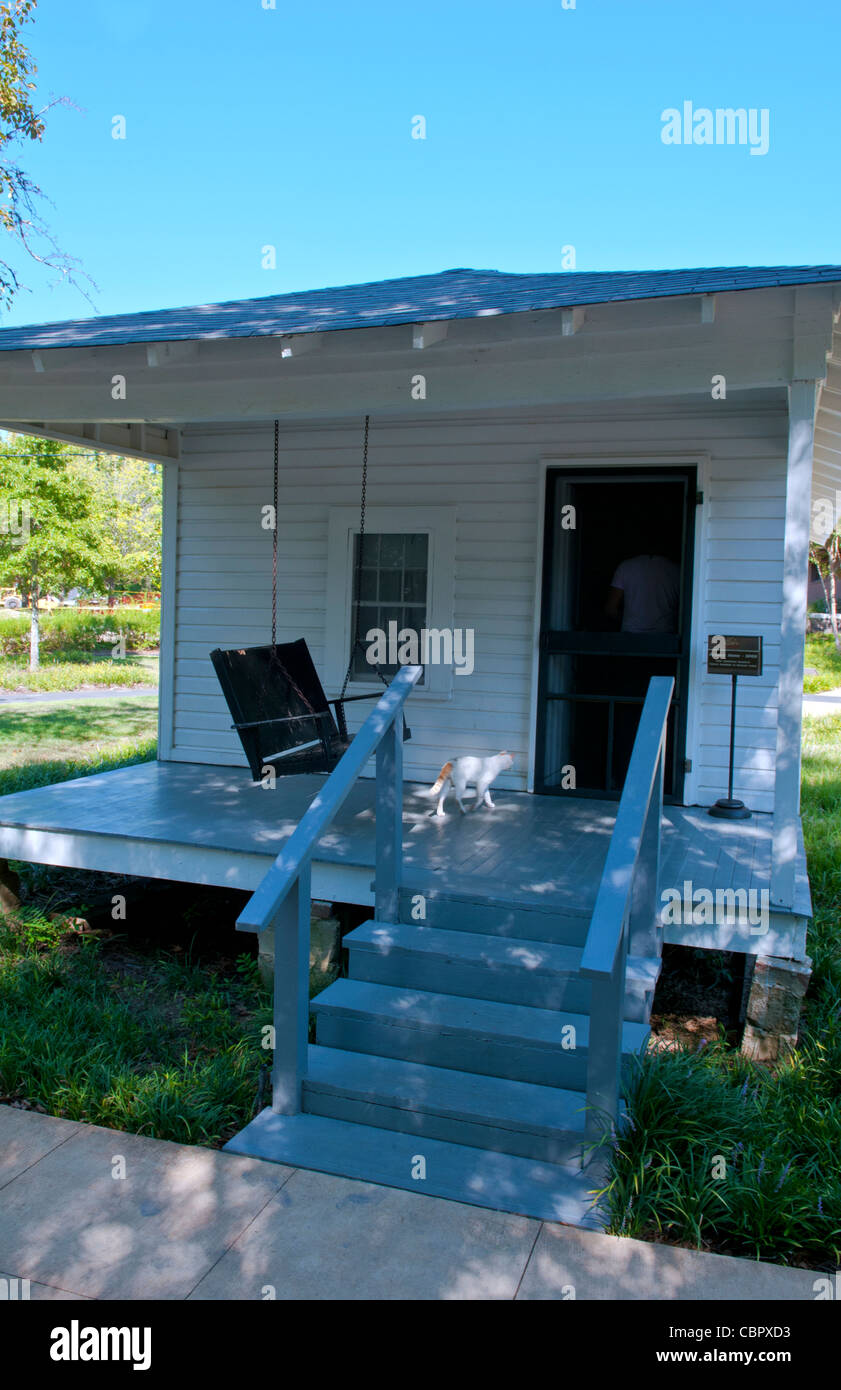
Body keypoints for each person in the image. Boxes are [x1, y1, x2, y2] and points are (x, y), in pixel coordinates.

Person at [605, 537, 681, 634]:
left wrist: (631, 621)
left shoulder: (625, 567)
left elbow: (610, 609)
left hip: (631, 634)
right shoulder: (677, 570)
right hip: (665, 637)